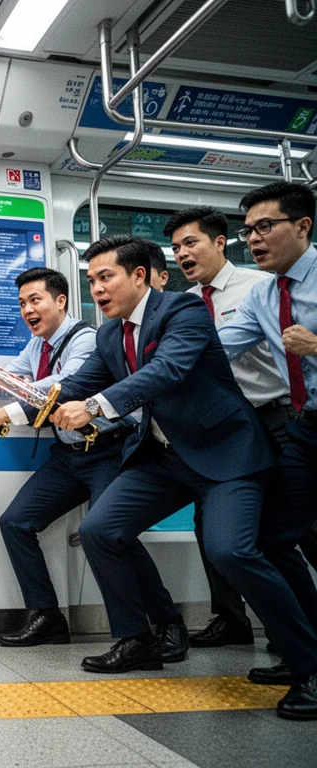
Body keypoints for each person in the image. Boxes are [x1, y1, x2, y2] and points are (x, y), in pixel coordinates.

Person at [49, 236, 315, 702]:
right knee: (101, 530)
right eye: (90, 280)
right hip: (166, 459)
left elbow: (166, 370)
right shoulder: (110, 333)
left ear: (139, 275)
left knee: (231, 551)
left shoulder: (183, 312)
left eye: (105, 276)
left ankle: (308, 662)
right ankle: (137, 639)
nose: (96, 288)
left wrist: (93, 406)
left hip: (226, 454)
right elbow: (77, 382)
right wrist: (8, 409)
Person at [0, 267, 186, 651]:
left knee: (115, 533)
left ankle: (166, 621)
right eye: (21, 304)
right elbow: (7, 380)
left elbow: (59, 389)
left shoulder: (87, 340)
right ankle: (47, 615)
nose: (27, 310)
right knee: (15, 522)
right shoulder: (37, 347)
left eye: (35, 300)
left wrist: (7, 409)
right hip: (68, 456)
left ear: (60, 301)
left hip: (109, 452)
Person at [166, 205, 288, 649]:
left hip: (275, 416)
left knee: (285, 527)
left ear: (220, 242)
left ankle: (289, 624)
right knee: (209, 519)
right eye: (176, 247)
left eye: (191, 242)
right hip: (226, 427)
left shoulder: (258, 286)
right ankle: (231, 618)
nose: (182, 253)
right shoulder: (187, 306)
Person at [217, 182, 317, 718]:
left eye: (265, 227)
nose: (253, 239)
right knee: (275, 539)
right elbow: (217, 352)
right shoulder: (261, 295)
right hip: (305, 427)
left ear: (302, 226)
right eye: (248, 231)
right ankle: (309, 654)